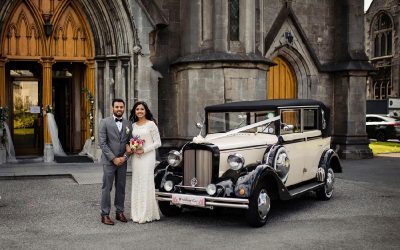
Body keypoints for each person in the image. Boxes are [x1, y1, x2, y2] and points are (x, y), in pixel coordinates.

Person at [98, 98, 132, 225]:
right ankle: (105, 214)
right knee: (107, 187)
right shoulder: (104, 122)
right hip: (109, 161)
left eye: (121, 107)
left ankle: (120, 212)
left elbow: (130, 143)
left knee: (121, 187)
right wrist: (114, 158)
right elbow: (102, 143)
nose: (119, 109)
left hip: (123, 161)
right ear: (112, 108)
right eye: (117, 107)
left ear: (124, 108)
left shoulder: (128, 124)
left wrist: (124, 157)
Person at [128, 101, 161, 223]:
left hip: (147, 157)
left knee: (146, 182)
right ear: (134, 112)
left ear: (146, 110)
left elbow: (158, 142)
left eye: (142, 109)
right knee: (137, 182)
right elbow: (131, 141)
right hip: (136, 158)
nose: (139, 111)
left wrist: (144, 150)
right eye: (137, 109)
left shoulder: (151, 124)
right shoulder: (133, 126)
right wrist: (133, 147)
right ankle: (136, 213)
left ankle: (146, 214)